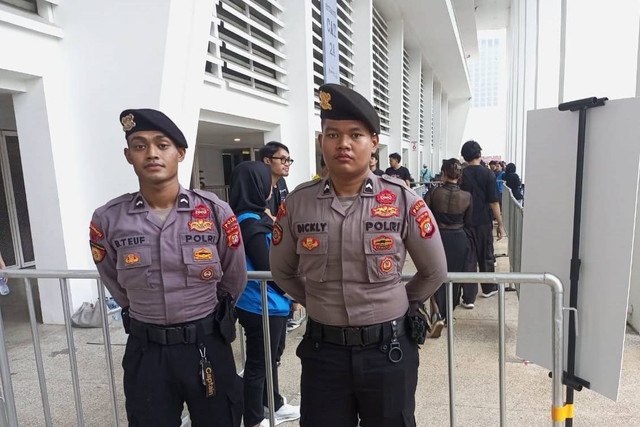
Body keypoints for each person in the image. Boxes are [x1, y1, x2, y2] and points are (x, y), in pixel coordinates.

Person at [270, 83, 448, 427]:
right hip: (324, 354)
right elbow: (281, 271)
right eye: (332, 134)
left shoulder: (402, 200)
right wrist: (317, 300)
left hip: (388, 351)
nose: (343, 144)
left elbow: (434, 270)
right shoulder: (297, 203)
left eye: (355, 134)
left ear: (374, 143)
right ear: (322, 142)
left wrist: (397, 301)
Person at [90, 109, 246, 426]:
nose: (151, 154)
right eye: (139, 145)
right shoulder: (108, 218)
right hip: (146, 352)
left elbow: (233, 277)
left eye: (162, 145)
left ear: (180, 153)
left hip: (206, 345)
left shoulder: (215, 211)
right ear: (128, 155)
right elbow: (114, 280)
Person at [229, 161, 300, 427]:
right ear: (256, 186)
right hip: (262, 304)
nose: (272, 187)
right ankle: (255, 419)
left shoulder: (250, 218)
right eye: (267, 181)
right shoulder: (249, 222)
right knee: (259, 364)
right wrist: (292, 293)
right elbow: (266, 267)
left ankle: (275, 404)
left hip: (267, 302)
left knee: (271, 358)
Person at [424, 159, 473, 334]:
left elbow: (424, 217)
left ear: (444, 173)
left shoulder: (434, 192)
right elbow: (468, 222)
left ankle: (436, 312)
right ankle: (448, 314)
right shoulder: (467, 196)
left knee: (434, 276)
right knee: (454, 277)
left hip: (437, 238)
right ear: (460, 176)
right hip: (458, 238)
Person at [459, 140, 504, 307]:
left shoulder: (462, 175)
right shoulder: (488, 174)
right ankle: (488, 288)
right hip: (484, 221)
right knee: (486, 255)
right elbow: (494, 202)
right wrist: (499, 223)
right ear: (479, 154)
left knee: (469, 259)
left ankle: (468, 298)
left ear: (464, 156)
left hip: (465, 222)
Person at [259, 141, 292, 220]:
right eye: (283, 159)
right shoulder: (258, 184)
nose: (287, 164)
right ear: (267, 161)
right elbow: (268, 218)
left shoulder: (281, 181)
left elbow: (287, 209)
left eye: (288, 160)